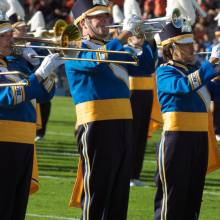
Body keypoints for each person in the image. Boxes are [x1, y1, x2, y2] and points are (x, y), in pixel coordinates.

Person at [66, 0, 150, 219]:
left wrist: (144, 41)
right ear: (83, 23)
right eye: (98, 17)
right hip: (95, 123)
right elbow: (95, 62)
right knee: (98, 190)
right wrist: (122, 36)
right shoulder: (73, 48)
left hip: (123, 122)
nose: (105, 20)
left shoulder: (115, 48)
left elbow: (146, 67)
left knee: (119, 192)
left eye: (106, 16)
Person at [0, 3, 64, 219]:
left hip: (23, 142)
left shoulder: (17, 63)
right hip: (3, 142)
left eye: (10, 33)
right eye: (4, 35)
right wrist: (38, 75)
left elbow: (46, 95)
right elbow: (7, 97)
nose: (11, 38)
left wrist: (41, 69)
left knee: (18, 206)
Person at [154, 21, 220, 220]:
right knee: (172, 197)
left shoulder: (197, 72)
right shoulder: (165, 71)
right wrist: (212, 64)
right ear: (171, 48)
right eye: (186, 44)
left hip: (199, 140)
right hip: (176, 139)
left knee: (193, 197)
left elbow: (215, 92)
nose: (193, 48)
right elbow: (182, 86)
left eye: (192, 43)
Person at [126, 35, 157, 187]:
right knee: (131, 134)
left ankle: (135, 175)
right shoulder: (125, 49)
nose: (140, 37)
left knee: (141, 135)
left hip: (146, 93)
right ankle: (127, 174)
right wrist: (135, 47)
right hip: (132, 92)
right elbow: (132, 66)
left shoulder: (146, 48)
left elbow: (151, 66)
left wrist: (150, 41)